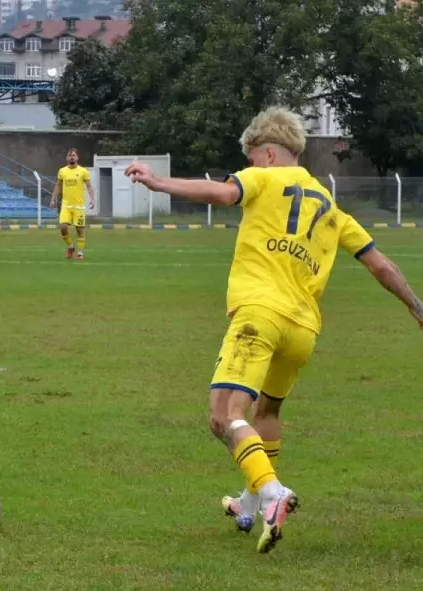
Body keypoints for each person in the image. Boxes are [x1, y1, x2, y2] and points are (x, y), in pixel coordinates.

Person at [125, 107, 423, 553]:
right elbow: (381, 265)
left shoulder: (265, 178)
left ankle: (272, 493)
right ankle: (247, 504)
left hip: (258, 315)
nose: (246, 168)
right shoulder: (331, 208)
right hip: (303, 330)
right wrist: (416, 306)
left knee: (224, 416)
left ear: (266, 154)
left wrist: (158, 182)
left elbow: (223, 194)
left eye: (248, 160)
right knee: (265, 414)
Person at [52, 148, 94, 260]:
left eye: (74, 155)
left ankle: (80, 252)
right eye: (70, 155)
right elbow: (58, 185)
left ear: (77, 158)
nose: (72, 157)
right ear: (67, 158)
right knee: (63, 227)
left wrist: (92, 199)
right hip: (66, 205)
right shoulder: (62, 171)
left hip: (78, 206)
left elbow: (89, 186)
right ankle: (70, 247)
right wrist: (53, 199)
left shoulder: (83, 171)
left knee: (80, 229)